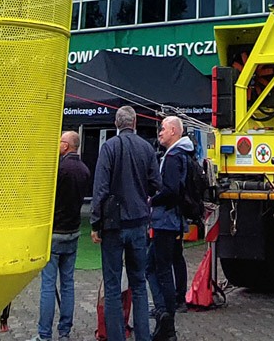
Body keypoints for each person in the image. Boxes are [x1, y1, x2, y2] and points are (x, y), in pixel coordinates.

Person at [90, 106, 157, 341]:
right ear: (135, 122)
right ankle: (143, 336)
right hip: (139, 222)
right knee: (139, 283)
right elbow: (155, 184)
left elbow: (100, 188)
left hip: (113, 225)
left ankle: (116, 336)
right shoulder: (146, 148)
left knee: (112, 285)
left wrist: (95, 223)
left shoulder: (109, 148)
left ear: (116, 124)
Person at [38, 130, 92, 341]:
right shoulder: (84, 170)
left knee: (48, 286)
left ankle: (44, 334)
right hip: (73, 231)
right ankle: (65, 331)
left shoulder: (59, 169)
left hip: (56, 232)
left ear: (67, 145)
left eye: (60, 141)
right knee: (68, 283)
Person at [148, 116, 195, 341]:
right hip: (171, 220)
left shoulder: (174, 157)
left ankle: (167, 320)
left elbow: (171, 190)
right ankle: (165, 312)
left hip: (166, 220)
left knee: (161, 269)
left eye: (163, 129)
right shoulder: (179, 154)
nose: (160, 132)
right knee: (155, 265)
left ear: (175, 131)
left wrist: (151, 201)